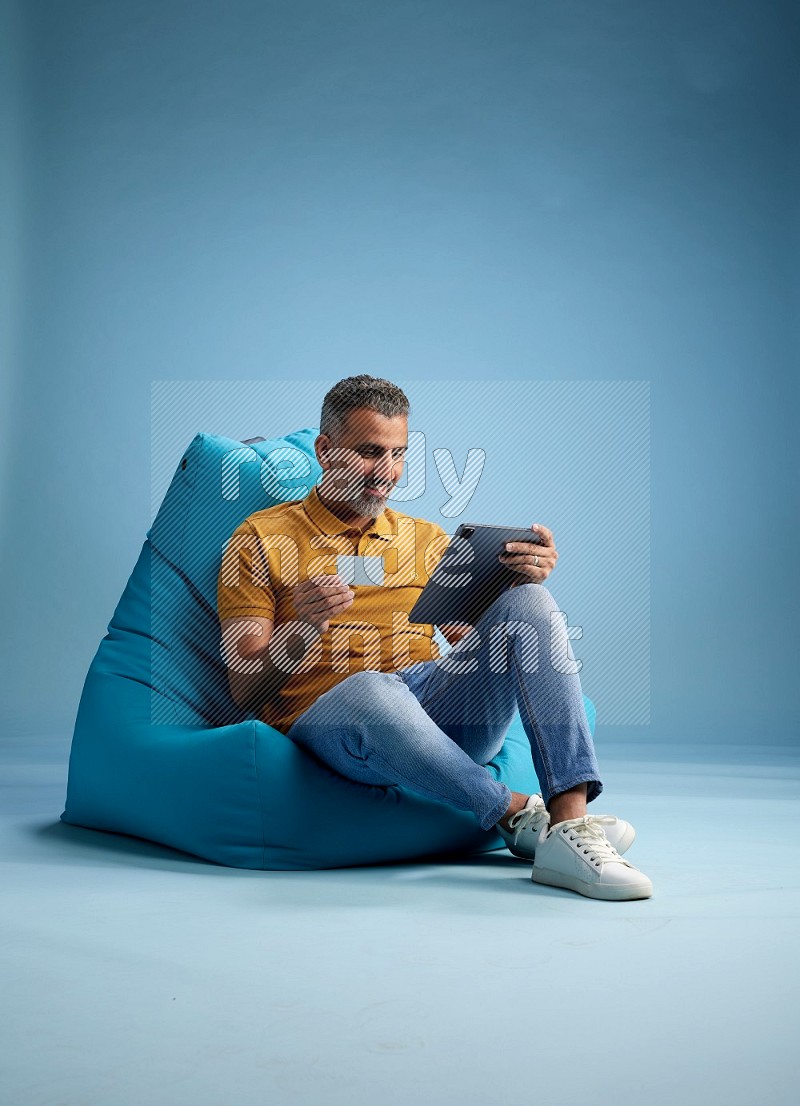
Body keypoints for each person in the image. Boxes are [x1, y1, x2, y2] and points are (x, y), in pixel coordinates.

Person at [217, 375, 653, 901]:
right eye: (369, 453)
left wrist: (518, 582)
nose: (387, 473)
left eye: (399, 454)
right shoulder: (260, 538)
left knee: (527, 603)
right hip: (339, 724)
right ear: (325, 451)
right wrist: (301, 629)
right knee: (373, 689)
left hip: (431, 713)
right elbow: (243, 690)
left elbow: (474, 641)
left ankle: (567, 823)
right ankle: (513, 810)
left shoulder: (423, 539)